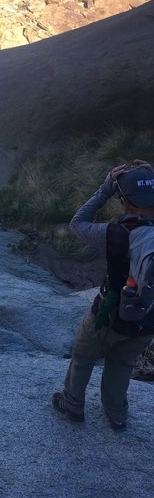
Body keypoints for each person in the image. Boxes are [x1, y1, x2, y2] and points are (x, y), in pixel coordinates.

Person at [52, 160, 154, 431]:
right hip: (146, 320)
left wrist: (105, 188)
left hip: (108, 315)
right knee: (122, 363)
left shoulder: (115, 233)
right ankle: (116, 414)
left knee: (83, 357)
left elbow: (77, 223)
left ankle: (73, 405)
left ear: (123, 200)